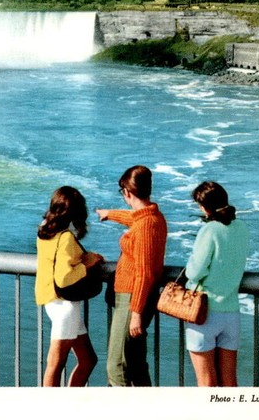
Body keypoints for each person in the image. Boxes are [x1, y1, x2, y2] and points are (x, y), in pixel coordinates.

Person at [95, 165, 167, 386]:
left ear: (127, 192)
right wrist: (110, 214)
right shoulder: (153, 216)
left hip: (132, 298)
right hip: (140, 297)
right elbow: (134, 217)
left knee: (116, 366)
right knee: (135, 364)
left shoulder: (146, 226)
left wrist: (135, 312)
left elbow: (144, 273)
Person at [34, 186, 105, 386]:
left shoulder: (45, 228)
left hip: (51, 299)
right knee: (55, 365)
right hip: (65, 306)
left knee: (88, 359)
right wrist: (87, 264)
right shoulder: (65, 238)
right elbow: (64, 277)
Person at [184, 181, 249, 387]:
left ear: (205, 207)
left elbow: (195, 271)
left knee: (207, 383)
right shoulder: (241, 227)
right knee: (229, 382)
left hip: (204, 312)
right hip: (231, 312)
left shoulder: (210, 230)